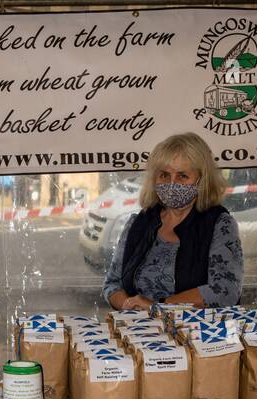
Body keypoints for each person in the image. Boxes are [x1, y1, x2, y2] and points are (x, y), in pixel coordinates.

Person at [102, 132, 243, 310]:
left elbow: (226, 290)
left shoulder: (219, 225)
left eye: (182, 176)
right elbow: (112, 285)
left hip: (195, 334)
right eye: (164, 175)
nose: (172, 183)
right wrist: (129, 305)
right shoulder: (139, 223)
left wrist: (158, 307)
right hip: (138, 332)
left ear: (202, 180)